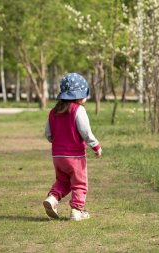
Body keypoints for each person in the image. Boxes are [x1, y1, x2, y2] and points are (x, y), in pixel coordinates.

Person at [43, 73, 102, 221]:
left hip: (57, 156)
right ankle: (77, 210)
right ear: (80, 94)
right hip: (75, 157)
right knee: (79, 183)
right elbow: (85, 131)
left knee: (63, 181)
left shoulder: (53, 111)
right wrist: (96, 146)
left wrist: (56, 141)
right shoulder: (78, 110)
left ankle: (53, 198)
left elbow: (48, 133)